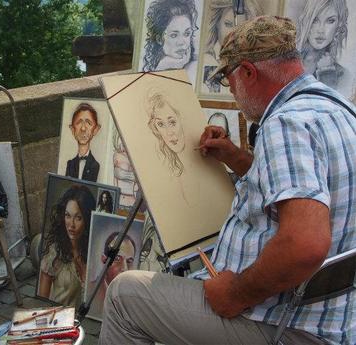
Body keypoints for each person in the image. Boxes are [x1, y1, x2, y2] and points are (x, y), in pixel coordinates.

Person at [99, 16, 356, 345]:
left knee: (124, 295)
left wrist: (235, 293)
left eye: (230, 80)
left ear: (249, 72)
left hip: (284, 323)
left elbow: (305, 244)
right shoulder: (336, 107)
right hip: (328, 314)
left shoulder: (285, 124)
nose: (231, 91)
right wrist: (235, 157)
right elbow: (302, 187)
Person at [38, 185, 96, 307]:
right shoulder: (54, 253)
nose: (71, 225)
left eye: (78, 218)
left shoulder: (93, 252)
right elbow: (41, 302)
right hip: (60, 320)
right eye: (68, 216)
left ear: (87, 219)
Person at [296, 0, 353, 98]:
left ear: (339, 26)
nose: (321, 30)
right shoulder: (289, 61)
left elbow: (330, 107)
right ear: (307, 21)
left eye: (330, 21)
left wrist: (327, 73)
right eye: (315, 20)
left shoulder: (344, 75)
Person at [203, 0, 263, 93]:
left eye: (242, 27)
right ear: (216, 24)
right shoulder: (206, 59)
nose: (233, 34)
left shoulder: (256, 63)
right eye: (228, 24)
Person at [142, 0, 199, 84]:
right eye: (174, 35)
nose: (182, 42)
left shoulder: (194, 66)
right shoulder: (157, 65)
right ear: (159, 39)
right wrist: (162, 66)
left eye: (187, 34)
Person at [87, 232, 136, 319]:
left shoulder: (133, 299)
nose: (124, 268)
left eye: (129, 261)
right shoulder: (90, 291)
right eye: (117, 258)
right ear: (104, 259)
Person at [146, 91, 185, 177]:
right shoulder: (160, 162)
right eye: (160, 124)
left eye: (172, 122)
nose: (169, 132)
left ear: (182, 119)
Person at [65, 103, 101, 182]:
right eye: (78, 123)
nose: (83, 128)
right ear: (72, 129)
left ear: (95, 129)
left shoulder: (96, 165)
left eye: (89, 123)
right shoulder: (70, 164)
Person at [112, 129, 138, 208]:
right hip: (119, 201)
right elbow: (114, 181)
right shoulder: (117, 156)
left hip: (132, 203)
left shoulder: (136, 160)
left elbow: (137, 187)